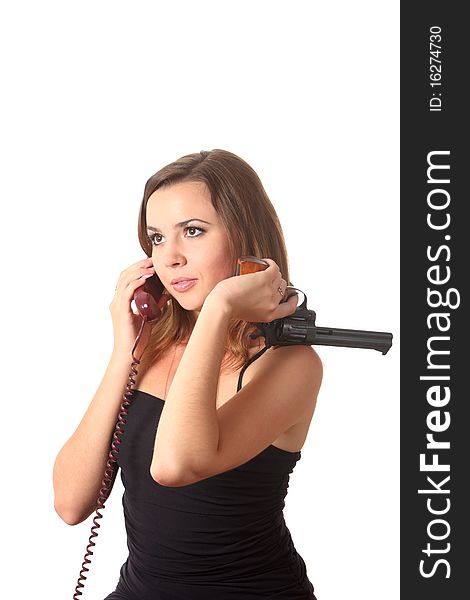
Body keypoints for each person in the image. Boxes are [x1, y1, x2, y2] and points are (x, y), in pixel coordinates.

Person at [53, 149, 323, 599]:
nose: (169, 257)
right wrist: (125, 349)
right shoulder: (151, 346)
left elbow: (176, 465)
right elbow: (70, 502)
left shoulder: (289, 364)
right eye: (157, 239)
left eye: (192, 232)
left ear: (244, 237)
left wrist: (219, 307)